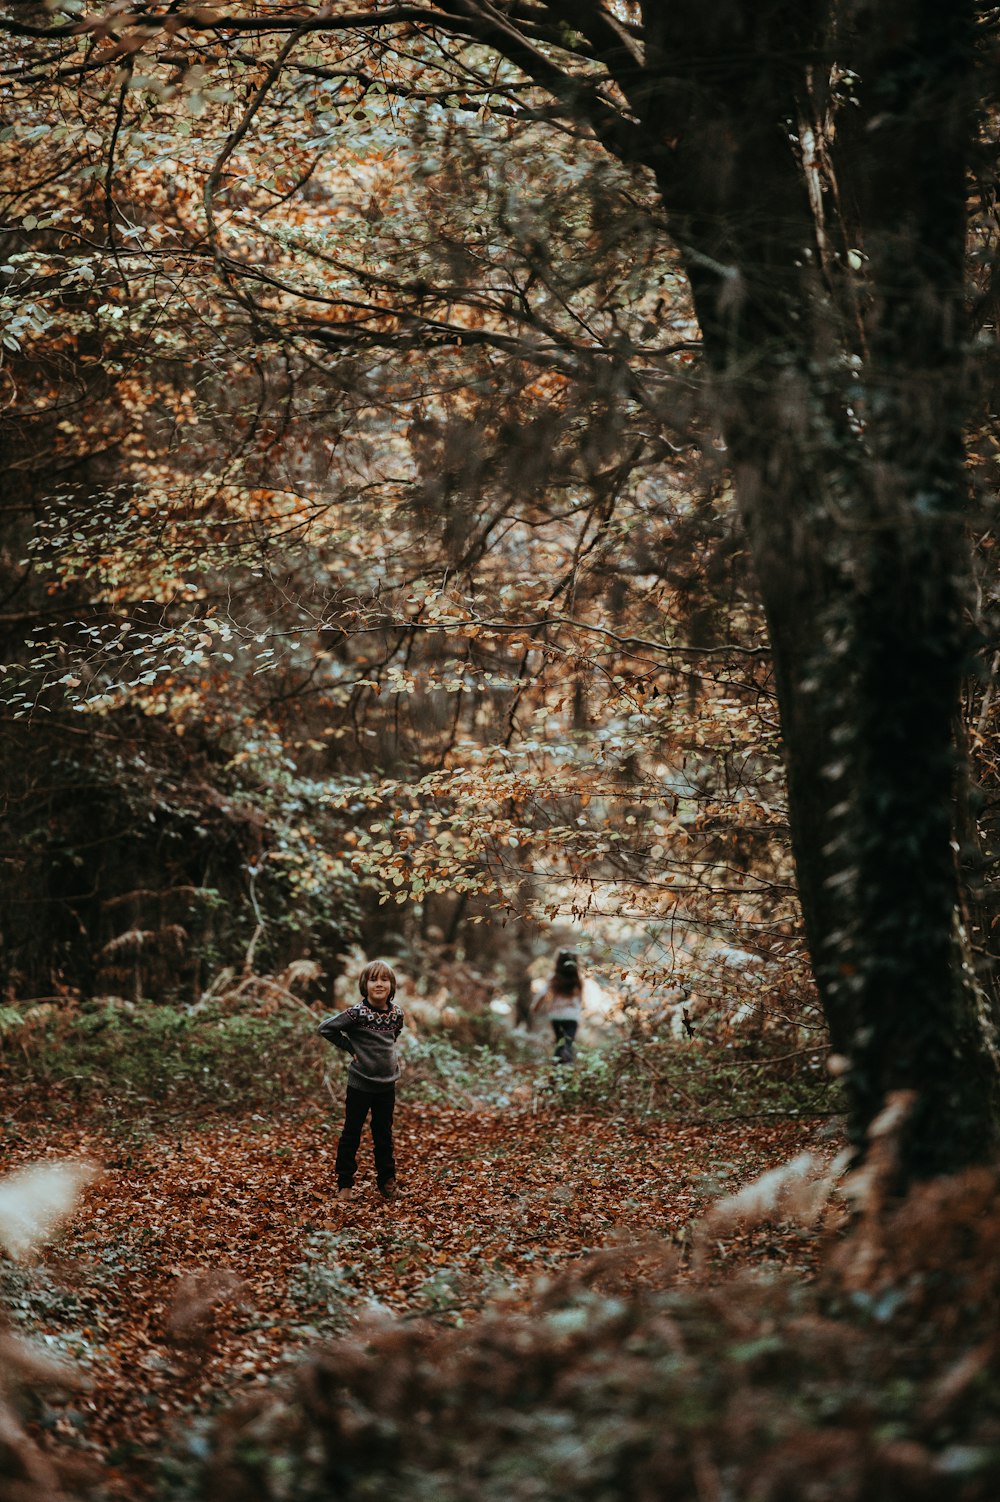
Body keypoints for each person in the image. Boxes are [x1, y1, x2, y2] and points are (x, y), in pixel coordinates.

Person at [318, 959, 403, 1200]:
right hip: (360, 1084)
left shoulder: (397, 1013)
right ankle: (345, 1185)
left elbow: (394, 1035)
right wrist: (350, 1047)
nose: (379, 984)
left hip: (387, 1084)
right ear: (364, 985)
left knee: (383, 1134)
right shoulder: (357, 1014)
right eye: (373, 979)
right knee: (352, 1133)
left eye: (384, 979)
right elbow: (326, 1028)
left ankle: (387, 1183)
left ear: (392, 986)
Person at [531, 949, 583, 1063]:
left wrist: (535, 1007)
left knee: (560, 1042)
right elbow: (580, 999)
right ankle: (565, 1068)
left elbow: (542, 994)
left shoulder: (554, 978)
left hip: (556, 1016)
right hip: (572, 1017)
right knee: (567, 1043)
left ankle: (557, 1071)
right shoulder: (577, 979)